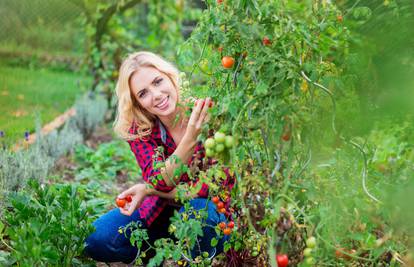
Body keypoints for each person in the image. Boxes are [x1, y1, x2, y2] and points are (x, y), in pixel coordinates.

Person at [84, 51, 235, 265]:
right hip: (160, 213)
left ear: (171, 78)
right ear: (138, 104)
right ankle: (157, 251)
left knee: (200, 217)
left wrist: (148, 189)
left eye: (158, 81)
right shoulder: (140, 131)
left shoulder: (209, 115)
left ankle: (193, 254)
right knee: (96, 239)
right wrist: (191, 137)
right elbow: (160, 179)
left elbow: (212, 188)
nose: (155, 95)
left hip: (205, 212)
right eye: (143, 93)